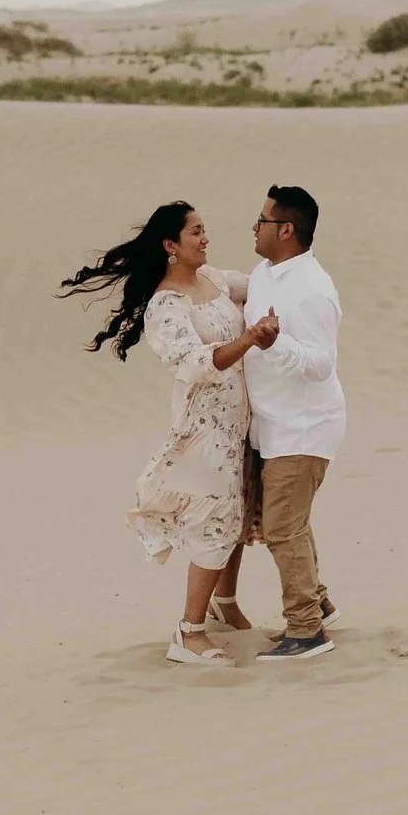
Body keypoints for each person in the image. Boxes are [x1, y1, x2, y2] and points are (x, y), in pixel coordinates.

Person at [60, 202, 278, 666]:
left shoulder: (214, 279)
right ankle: (188, 632)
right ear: (170, 245)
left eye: (204, 230)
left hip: (241, 420)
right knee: (215, 522)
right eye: (196, 232)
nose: (205, 238)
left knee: (238, 515)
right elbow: (195, 363)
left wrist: (295, 268)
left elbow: (260, 283)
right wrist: (248, 340)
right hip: (205, 428)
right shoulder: (166, 304)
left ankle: (225, 604)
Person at [243, 184, 346, 661]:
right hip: (273, 424)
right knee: (291, 523)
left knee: (282, 528)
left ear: (286, 230)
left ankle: (306, 632)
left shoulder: (313, 291)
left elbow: (321, 363)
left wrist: (274, 344)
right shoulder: (264, 273)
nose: (254, 227)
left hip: (304, 428)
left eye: (262, 220)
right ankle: (319, 607)